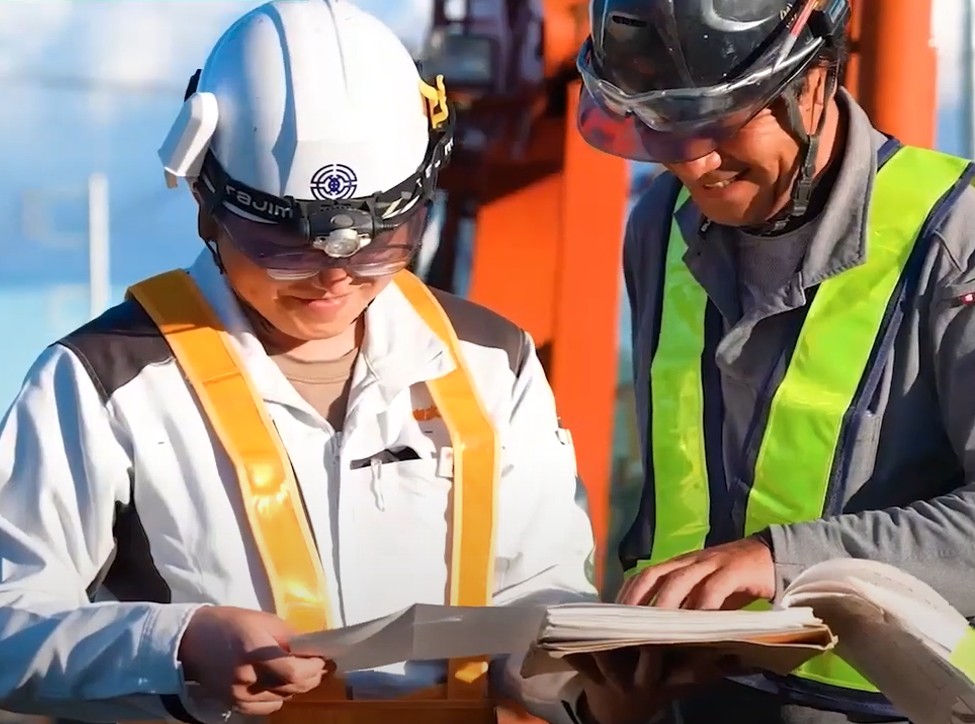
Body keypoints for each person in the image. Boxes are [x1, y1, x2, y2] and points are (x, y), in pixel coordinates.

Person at [0, 2, 597, 723]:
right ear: (205, 200)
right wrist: (179, 648)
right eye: (285, 246)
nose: (334, 276)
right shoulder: (102, 383)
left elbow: (543, 595)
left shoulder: (491, 360)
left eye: (378, 241)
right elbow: (11, 628)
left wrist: (590, 687)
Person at [568, 0, 975, 722]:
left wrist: (784, 562)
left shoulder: (955, 244)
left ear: (810, 82)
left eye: (719, 119)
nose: (691, 160)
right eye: (658, 123)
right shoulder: (661, 223)